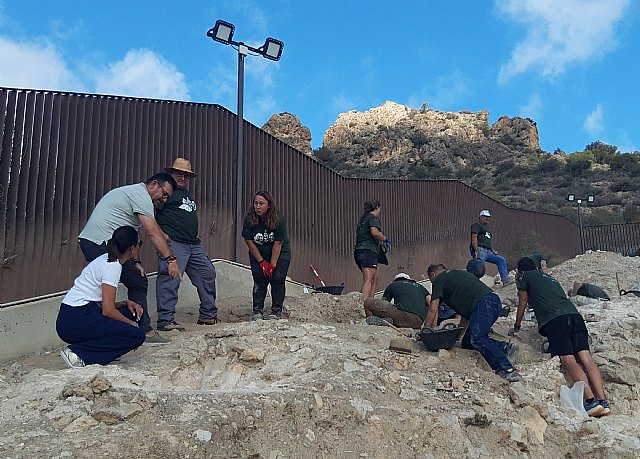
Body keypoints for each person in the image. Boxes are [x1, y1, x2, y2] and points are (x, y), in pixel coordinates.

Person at [78, 173, 181, 345]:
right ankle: (142, 331)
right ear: (154, 184)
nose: (164, 200)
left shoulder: (135, 196)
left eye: (167, 198)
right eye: (164, 194)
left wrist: (136, 262)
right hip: (99, 244)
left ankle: (137, 329)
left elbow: (131, 236)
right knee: (116, 289)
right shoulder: (141, 196)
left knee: (136, 280)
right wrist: (171, 260)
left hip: (99, 243)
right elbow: (152, 232)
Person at [511, 257, 611, 417]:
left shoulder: (527, 277)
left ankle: (590, 401)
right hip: (575, 317)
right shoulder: (550, 278)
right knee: (586, 359)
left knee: (569, 360)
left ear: (521, 271)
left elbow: (522, 302)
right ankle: (603, 400)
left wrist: (516, 326)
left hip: (556, 321)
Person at [56, 226, 146, 368]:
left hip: (75, 315)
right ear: (132, 248)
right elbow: (107, 310)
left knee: (134, 314)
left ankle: (101, 354)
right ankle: (77, 354)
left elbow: (101, 302)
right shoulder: (113, 266)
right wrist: (131, 325)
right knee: (137, 335)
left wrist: (124, 303)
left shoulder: (105, 259)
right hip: (75, 318)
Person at [426, 264, 521, 382]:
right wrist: (458, 335)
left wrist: (426, 331)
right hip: (493, 302)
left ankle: (506, 369)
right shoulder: (457, 276)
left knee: (478, 338)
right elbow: (466, 316)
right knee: (467, 342)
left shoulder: (439, 280)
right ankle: (505, 348)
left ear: (433, 275)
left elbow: (433, 308)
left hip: (484, 303)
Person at [155, 158, 219, 331]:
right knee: (171, 278)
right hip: (174, 242)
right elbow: (151, 214)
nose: (183, 178)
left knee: (208, 272)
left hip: (193, 244)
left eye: (186, 176)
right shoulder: (166, 192)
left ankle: (208, 315)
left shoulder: (187, 194)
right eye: (179, 174)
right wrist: (162, 235)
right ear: (171, 174)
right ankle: (166, 319)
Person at [242, 191, 291, 320]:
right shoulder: (249, 219)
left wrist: (273, 264)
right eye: (256, 203)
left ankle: (276, 310)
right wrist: (261, 262)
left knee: (278, 279)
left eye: (261, 204)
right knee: (259, 280)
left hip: (280, 253)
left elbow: (278, 243)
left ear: (269, 205)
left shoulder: (278, 219)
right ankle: (257, 309)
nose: (258, 207)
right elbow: (249, 241)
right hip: (259, 252)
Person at [354, 200, 392, 299]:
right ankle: (364, 303)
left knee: (375, 278)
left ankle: (370, 302)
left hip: (360, 251)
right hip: (368, 251)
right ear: (377, 208)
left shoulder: (363, 220)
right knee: (369, 278)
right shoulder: (372, 219)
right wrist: (384, 239)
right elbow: (375, 232)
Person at [363, 273, 429, 329]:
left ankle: (373, 323)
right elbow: (431, 304)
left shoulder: (394, 285)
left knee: (368, 302)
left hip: (403, 316)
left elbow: (384, 302)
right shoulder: (421, 287)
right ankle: (389, 321)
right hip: (418, 322)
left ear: (395, 280)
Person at [470, 210, 511, 285]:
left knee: (501, 260)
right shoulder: (476, 225)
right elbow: (474, 236)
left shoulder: (487, 228)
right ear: (480, 217)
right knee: (478, 267)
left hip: (488, 251)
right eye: (485, 216)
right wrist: (476, 249)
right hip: (480, 249)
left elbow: (488, 241)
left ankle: (506, 280)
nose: (487, 218)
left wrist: (492, 250)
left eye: (488, 217)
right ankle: (473, 284)